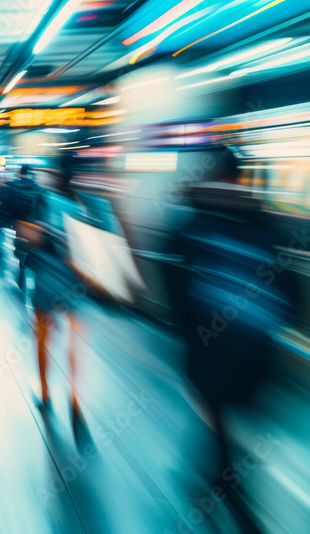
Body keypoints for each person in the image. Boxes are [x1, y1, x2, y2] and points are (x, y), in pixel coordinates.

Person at [168, 145, 297, 533]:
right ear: (239, 176)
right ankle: (227, 487)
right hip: (254, 342)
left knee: (217, 414)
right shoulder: (263, 220)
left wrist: (189, 334)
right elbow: (285, 283)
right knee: (230, 417)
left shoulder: (191, 222)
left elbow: (177, 285)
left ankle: (221, 482)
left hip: (208, 342)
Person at [18, 155, 87, 420]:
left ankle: (46, 393)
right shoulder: (79, 209)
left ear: (55, 176)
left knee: (44, 340)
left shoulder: (43, 202)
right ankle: (75, 396)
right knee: (74, 339)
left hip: (46, 279)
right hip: (72, 283)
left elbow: (27, 237)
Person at [2, 165, 42, 289]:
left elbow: (6, 203)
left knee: (20, 248)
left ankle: (21, 272)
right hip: (32, 222)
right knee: (30, 248)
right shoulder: (37, 188)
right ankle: (27, 271)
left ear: (21, 173)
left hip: (18, 223)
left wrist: (11, 218)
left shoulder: (13, 185)